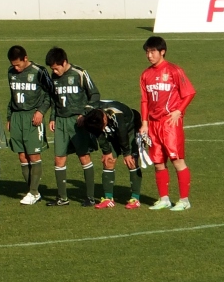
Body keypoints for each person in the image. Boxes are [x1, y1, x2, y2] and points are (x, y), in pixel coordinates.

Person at [140, 35, 195, 211]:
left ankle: (184, 200)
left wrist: (179, 111)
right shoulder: (146, 74)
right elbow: (144, 101)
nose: (149, 55)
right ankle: (164, 199)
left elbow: (189, 93)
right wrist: (144, 123)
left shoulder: (174, 71)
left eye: (153, 51)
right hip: (153, 124)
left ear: (162, 52)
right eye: (147, 52)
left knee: (177, 160)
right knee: (157, 163)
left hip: (170, 123)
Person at [44, 47, 101, 207]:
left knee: (84, 157)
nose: (54, 71)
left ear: (64, 62)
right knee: (59, 158)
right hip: (61, 122)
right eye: (52, 69)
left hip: (78, 123)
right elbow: (54, 99)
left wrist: (85, 113)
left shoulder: (80, 73)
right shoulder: (53, 78)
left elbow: (95, 95)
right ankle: (62, 198)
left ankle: (90, 197)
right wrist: (53, 117)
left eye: (56, 67)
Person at [6, 45, 54, 204]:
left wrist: (41, 111)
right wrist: (9, 117)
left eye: (18, 64)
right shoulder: (10, 72)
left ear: (25, 58)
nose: (16, 68)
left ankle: (33, 192)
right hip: (17, 117)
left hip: (33, 116)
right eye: (13, 65)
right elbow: (12, 97)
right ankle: (32, 191)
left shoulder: (39, 72)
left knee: (34, 155)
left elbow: (50, 94)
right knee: (21, 155)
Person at [82, 100, 144, 209]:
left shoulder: (116, 114)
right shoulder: (91, 114)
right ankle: (108, 199)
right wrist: (106, 152)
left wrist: (127, 153)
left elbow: (122, 133)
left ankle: (135, 198)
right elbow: (98, 133)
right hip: (112, 132)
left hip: (130, 129)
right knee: (108, 161)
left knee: (131, 162)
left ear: (105, 118)